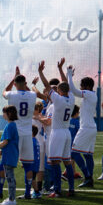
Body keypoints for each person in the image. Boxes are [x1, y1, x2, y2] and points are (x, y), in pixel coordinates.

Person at [38, 60, 76, 197]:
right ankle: (71, 189)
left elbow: (47, 86)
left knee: (54, 161)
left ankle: (57, 190)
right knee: (67, 161)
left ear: (59, 91)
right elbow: (66, 84)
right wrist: (62, 70)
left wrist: (40, 72)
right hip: (66, 133)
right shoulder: (71, 99)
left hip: (57, 132)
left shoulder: (58, 100)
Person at [3, 68, 40, 200]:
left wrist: (13, 78)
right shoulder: (32, 95)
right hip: (28, 133)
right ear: (25, 83)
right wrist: (27, 84)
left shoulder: (12, 94)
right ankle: (27, 193)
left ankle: (3, 192)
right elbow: (31, 91)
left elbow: (4, 92)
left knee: (7, 163)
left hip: (15, 132)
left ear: (14, 84)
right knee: (28, 164)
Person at [67, 66, 97, 188]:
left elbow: (73, 91)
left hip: (86, 128)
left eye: (82, 85)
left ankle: (88, 177)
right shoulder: (92, 95)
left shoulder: (89, 93)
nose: (81, 88)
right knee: (88, 155)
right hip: (91, 127)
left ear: (88, 87)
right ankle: (89, 177)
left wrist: (69, 74)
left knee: (74, 153)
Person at [0, 106, 19, 205]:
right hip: (8, 155)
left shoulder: (10, 126)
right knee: (10, 177)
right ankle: (11, 198)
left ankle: (12, 199)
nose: (2, 114)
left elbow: (6, 141)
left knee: (10, 177)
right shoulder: (11, 125)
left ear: (9, 114)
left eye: (4, 112)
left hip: (9, 156)